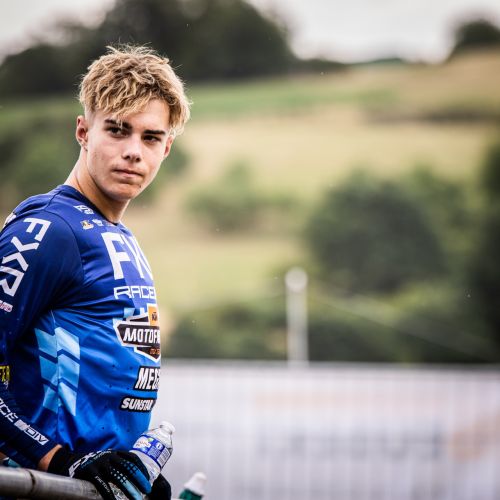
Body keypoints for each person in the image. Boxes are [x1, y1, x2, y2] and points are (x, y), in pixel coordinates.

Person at [0, 45, 190, 499]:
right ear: (83, 132)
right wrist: (58, 460)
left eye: (150, 138)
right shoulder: (50, 229)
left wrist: (128, 471)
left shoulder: (119, 236)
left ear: (166, 147)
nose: (133, 152)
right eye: (117, 130)